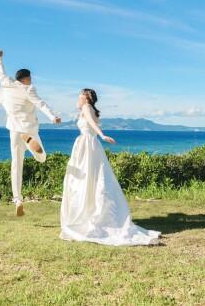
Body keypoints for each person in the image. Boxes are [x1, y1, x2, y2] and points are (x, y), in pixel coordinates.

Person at [60, 88, 161, 245]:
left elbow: (92, 124)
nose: (79, 96)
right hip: (91, 145)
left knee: (85, 179)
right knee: (93, 177)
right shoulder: (91, 108)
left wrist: (102, 135)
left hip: (86, 144)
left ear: (87, 97)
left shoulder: (87, 107)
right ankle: (89, 212)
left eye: (81, 94)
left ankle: (84, 216)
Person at [0, 49, 61, 217]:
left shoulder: (7, 84)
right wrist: (53, 116)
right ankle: (32, 144)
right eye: (29, 78)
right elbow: (41, 104)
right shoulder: (28, 89)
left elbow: (1, 73)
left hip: (14, 131)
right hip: (28, 130)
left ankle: (18, 199)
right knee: (42, 157)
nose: (31, 81)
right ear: (25, 80)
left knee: (16, 165)